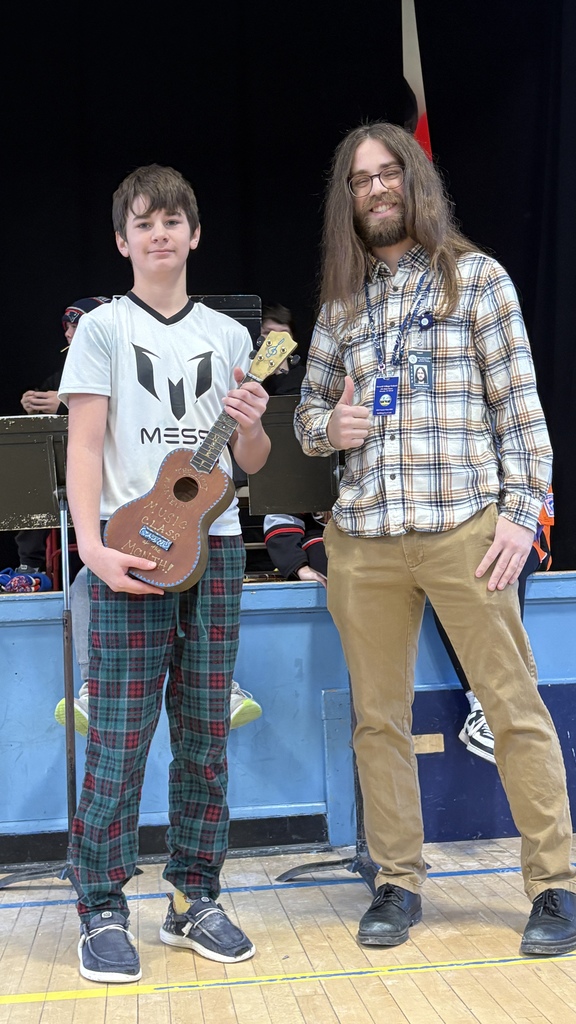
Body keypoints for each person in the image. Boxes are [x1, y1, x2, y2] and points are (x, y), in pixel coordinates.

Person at [293, 120, 576, 958]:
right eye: (359, 179)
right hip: (366, 542)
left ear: (416, 182)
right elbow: (307, 413)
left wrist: (523, 517)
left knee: (514, 708)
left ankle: (554, 886)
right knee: (377, 721)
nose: (375, 189)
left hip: (466, 531)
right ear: (346, 200)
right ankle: (397, 883)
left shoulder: (476, 281)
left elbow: (521, 412)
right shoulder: (341, 306)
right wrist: (329, 425)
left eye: (388, 174)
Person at [58, 163, 271, 983]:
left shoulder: (228, 336)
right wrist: (91, 549)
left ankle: (195, 897)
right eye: (143, 222)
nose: (159, 234)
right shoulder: (105, 329)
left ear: (193, 235)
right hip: (132, 549)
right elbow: (83, 447)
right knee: (117, 742)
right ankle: (101, 907)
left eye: (172, 221)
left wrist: (251, 425)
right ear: (123, 240)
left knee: (206, 742)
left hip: (213, 551)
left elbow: (247, 461)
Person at [443, 490, 554, 764]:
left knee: (492, 569)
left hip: (520, 534)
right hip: (445, 537)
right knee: (447, 573)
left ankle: (493, 705)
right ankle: (481, 704)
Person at [15, 298, 110, 574]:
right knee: (29, 478)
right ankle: (29, 567)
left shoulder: (124, 362)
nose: (68, 333)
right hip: (71, 464)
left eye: (75, 325)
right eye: (66, 326)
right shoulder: (64, 374)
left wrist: (65, 404)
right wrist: (33, 403)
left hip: (113, 462)